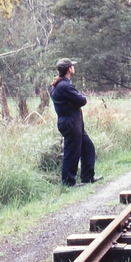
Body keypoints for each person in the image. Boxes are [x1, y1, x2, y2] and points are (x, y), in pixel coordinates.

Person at [50, 58, 101, 186]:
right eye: (72, 66)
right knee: (71, 152)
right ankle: (68, 182)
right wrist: (77, 100)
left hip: (72, 122)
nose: (74, 67)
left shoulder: (60, 84)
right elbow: (82, 100)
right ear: (69, 69)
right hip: (71, 123)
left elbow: (76, 100)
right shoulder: (65, 86)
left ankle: (87, 177)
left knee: (88, 147)